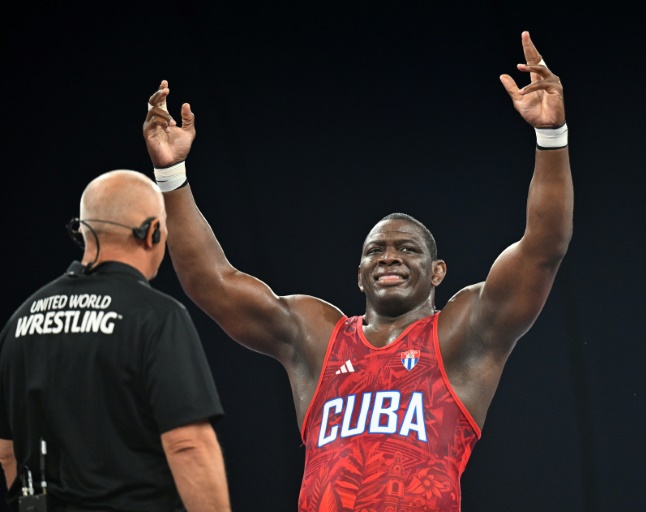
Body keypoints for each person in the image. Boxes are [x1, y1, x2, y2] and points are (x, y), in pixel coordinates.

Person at [143, 30, 572, 511]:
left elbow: (542, 249)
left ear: (437, 272)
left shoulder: (462, 335)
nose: (388, 257)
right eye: (375, 251)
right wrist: (171, 176)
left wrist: (550, 136)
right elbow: (214, 285)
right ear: (360, 273)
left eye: (407, 249)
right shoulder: (316, 338)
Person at [0, 170, 231, 511]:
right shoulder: (157, 316)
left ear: (82, 231)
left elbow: (7, 452)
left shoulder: (21, 321)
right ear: (152, 232)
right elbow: (188, 446)